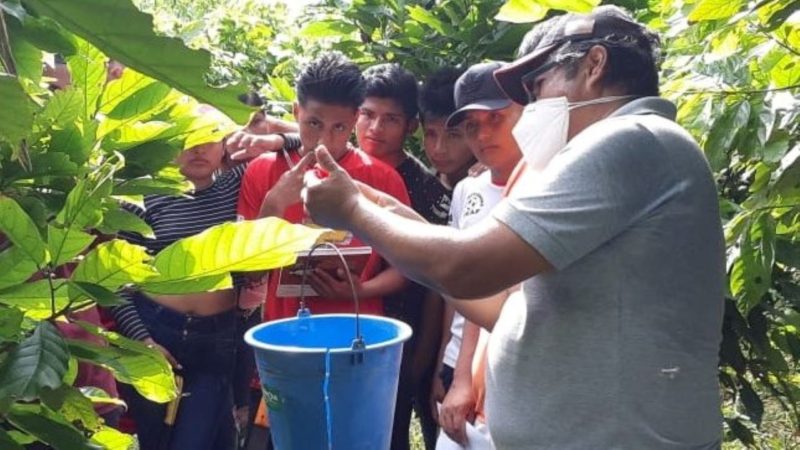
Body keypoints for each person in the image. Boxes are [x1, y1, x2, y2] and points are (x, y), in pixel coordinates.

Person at [302, 6, 725, 448]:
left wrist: (352, 211)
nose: (532, 106)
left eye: (537, 85)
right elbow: (499, 306)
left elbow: (465, 267)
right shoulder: (630, 150)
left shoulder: (630, 139)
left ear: (594, 65)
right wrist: (386, 210)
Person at [112, 107, 299, 450]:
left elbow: (311, 141)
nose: (199, 148)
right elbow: (115, 283)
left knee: (193, 440)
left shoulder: (237, 181)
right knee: (158, 441)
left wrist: (270, 132)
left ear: (224, 142)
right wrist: (144, 342)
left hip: (217, 338)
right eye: (188, 137)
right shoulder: (140, 196)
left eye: (209, 137)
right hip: (157, 333)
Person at [236, 52, 410, 322]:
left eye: (339, 127)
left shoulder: (381, 179)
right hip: (284, 335)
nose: (324, 140)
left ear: (354, 120)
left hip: (358, 334)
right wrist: (273, 207)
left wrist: (361, 289)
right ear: (296, 112)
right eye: (314, 123)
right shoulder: (263, 170)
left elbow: (407, 266)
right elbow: (249, 274)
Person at [355, 63, 451, 450]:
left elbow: (434, 283)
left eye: (390, 119)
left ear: (410, 125)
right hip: (341, 323)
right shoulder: (332, 169)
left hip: (402, 335)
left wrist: (422, 360)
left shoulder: (426, 189)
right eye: (367, 114)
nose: (376, 128)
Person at [435, 61, 522, 449]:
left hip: (509, 363)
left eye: (496, 119)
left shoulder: (546, 188)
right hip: (462, 360)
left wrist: (465, 378)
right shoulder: (466, 191)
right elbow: (460, 282)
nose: (483, 135)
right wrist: (450, 367)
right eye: (471, 126)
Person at [418, 67, 476, 190]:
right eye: (431, 134)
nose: (439, 149)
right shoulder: (419, 186)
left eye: (453, 135)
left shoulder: (499, 185)